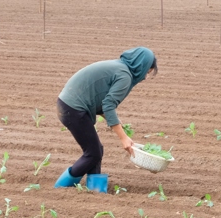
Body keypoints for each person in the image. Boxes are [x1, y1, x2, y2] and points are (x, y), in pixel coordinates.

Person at [53, 47, 158, 192]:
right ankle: (60, 187)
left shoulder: (119, 67)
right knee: (93, 153)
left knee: (96, 150)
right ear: (140, 65)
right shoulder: (124, 76)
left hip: (68, 105)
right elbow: (108, 105)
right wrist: (124, 138)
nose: (145, 77)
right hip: (73, 109)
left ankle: (95, 190)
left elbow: (100, 97)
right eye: (147, 71)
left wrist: (114, 120)